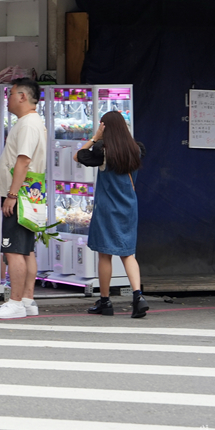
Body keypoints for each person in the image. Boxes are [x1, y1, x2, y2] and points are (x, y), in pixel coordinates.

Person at [75, 110, 148, 319]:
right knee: (128, 253)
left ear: (104, 127)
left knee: (104, 254)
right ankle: (138, 296)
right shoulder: (137, 149)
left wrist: (94, 137)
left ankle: (105, 301)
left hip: (107, 208)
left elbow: (77, 155)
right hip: (129, 206)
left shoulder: (102, 151)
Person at [0, 78, 47, 320]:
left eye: (11, 93)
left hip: (20, 194)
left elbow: (23, 160)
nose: (8, 98)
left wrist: (11, 195)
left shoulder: (27, 124)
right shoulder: (33, 122)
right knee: (26, 251)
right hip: (30, 193)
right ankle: (26, 299)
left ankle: (14, 302)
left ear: (23, 96)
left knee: (13, 250)